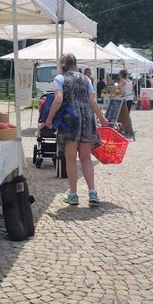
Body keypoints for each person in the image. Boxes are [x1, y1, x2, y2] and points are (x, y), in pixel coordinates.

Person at [39, 53, 110, 206]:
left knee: (70, 159)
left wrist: (49, 119)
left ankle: (73, 195)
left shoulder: (60, 78)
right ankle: (92, 193)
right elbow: (93, 102)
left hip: (70, 120)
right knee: (85, 158)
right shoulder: (86, 79)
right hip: (86, 119)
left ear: (62, 65)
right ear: (75, 64)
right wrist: (103, 120)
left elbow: (58, 99)